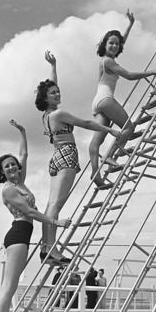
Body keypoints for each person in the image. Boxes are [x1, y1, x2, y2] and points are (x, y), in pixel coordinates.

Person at [35, 51, 121, 263]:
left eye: (58, 92)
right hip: (66, 155)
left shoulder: (46, 115)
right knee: (56, 205)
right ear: (46, 98)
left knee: (50, 205)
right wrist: (110, 130)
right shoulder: (58, 114)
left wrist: (53, 66)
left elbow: (49, 86)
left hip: (56, 157)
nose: (57, 94)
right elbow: (87, 124)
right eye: (53, 93)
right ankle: (52, 249)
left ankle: (46, 247)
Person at [0, 120, 71, 312]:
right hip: (17, 234)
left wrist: (23, 131)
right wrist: (56, 222)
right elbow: (31, 212)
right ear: (2, 172)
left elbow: (24, 155)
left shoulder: (20, 182)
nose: (11, 166)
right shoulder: (9, 189)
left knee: (11, 286)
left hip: (23, 234)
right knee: (8, 287)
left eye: (12, 163)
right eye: (6, 166)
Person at [89, 9, 156, 186]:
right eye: (111, 43)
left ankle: (95, 175)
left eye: (116, 44)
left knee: (97, 140)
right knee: (128, 128)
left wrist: (129, 24)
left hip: (98, 101)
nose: (114, 46)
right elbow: (128, 75)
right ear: (104, 45)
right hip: (105, 98)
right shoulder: (108, 61)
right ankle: (110, 156)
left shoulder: (108, 59)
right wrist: (151, 72)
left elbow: (121, 42)